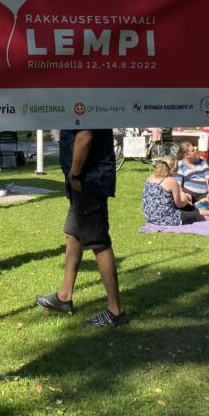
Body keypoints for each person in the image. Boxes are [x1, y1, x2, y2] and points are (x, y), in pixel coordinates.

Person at [35, 129, 126, 327]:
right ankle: (64, 296)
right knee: (72, 233)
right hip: (83, 179)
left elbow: (84, 137)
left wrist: (75, 174)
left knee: (98, 241)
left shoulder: (83, 99)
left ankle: (115, 311)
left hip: (88, 180)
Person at [141, 157, 205, 226]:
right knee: (195, 213)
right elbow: (179, 204)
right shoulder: (170, 180)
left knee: (191, 211)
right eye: (176, 171)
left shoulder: (149, 178)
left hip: (150, 217)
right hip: (165, 219)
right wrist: (185, 199)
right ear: (173, 170)